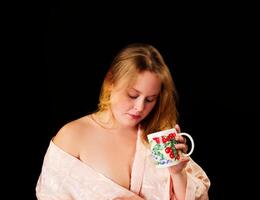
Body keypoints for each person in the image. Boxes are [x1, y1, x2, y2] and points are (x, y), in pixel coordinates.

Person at [36, 43, 210, 200]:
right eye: (132, 95)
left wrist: (177, 173)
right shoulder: (73, 136)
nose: (140, 107)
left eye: (150, 99)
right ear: (110, 82)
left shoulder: (158, 137)